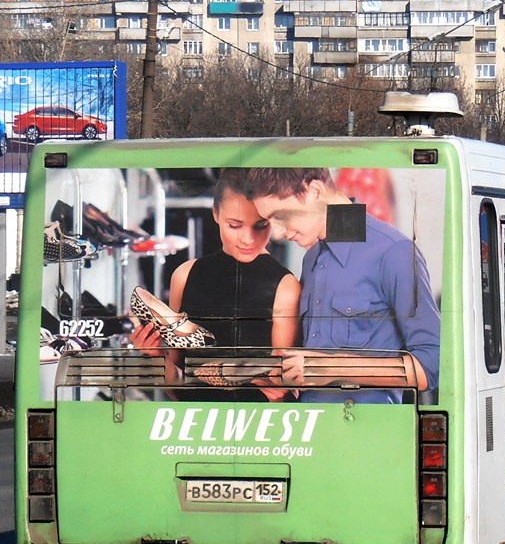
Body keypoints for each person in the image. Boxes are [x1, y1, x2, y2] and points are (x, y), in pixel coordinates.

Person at [241, 167, 440, 404]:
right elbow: (313, 363)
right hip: (308, 430)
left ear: (314, 190)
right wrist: (285, 381)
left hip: (366, 433)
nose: (277, 234)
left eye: (281, 217)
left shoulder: (394, 252)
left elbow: (432, 364)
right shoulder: (312, 258)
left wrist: (328, 367)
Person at [132, 170, 300, 401]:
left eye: (261, 225)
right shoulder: (185, 275)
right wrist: (156, 356)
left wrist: (279, 391)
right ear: (216, 214)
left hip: (259, 428)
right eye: (235, 225)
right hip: (198, 424)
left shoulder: (285, 286)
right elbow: (178, 386)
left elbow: (283, 394)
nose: (248, 239)